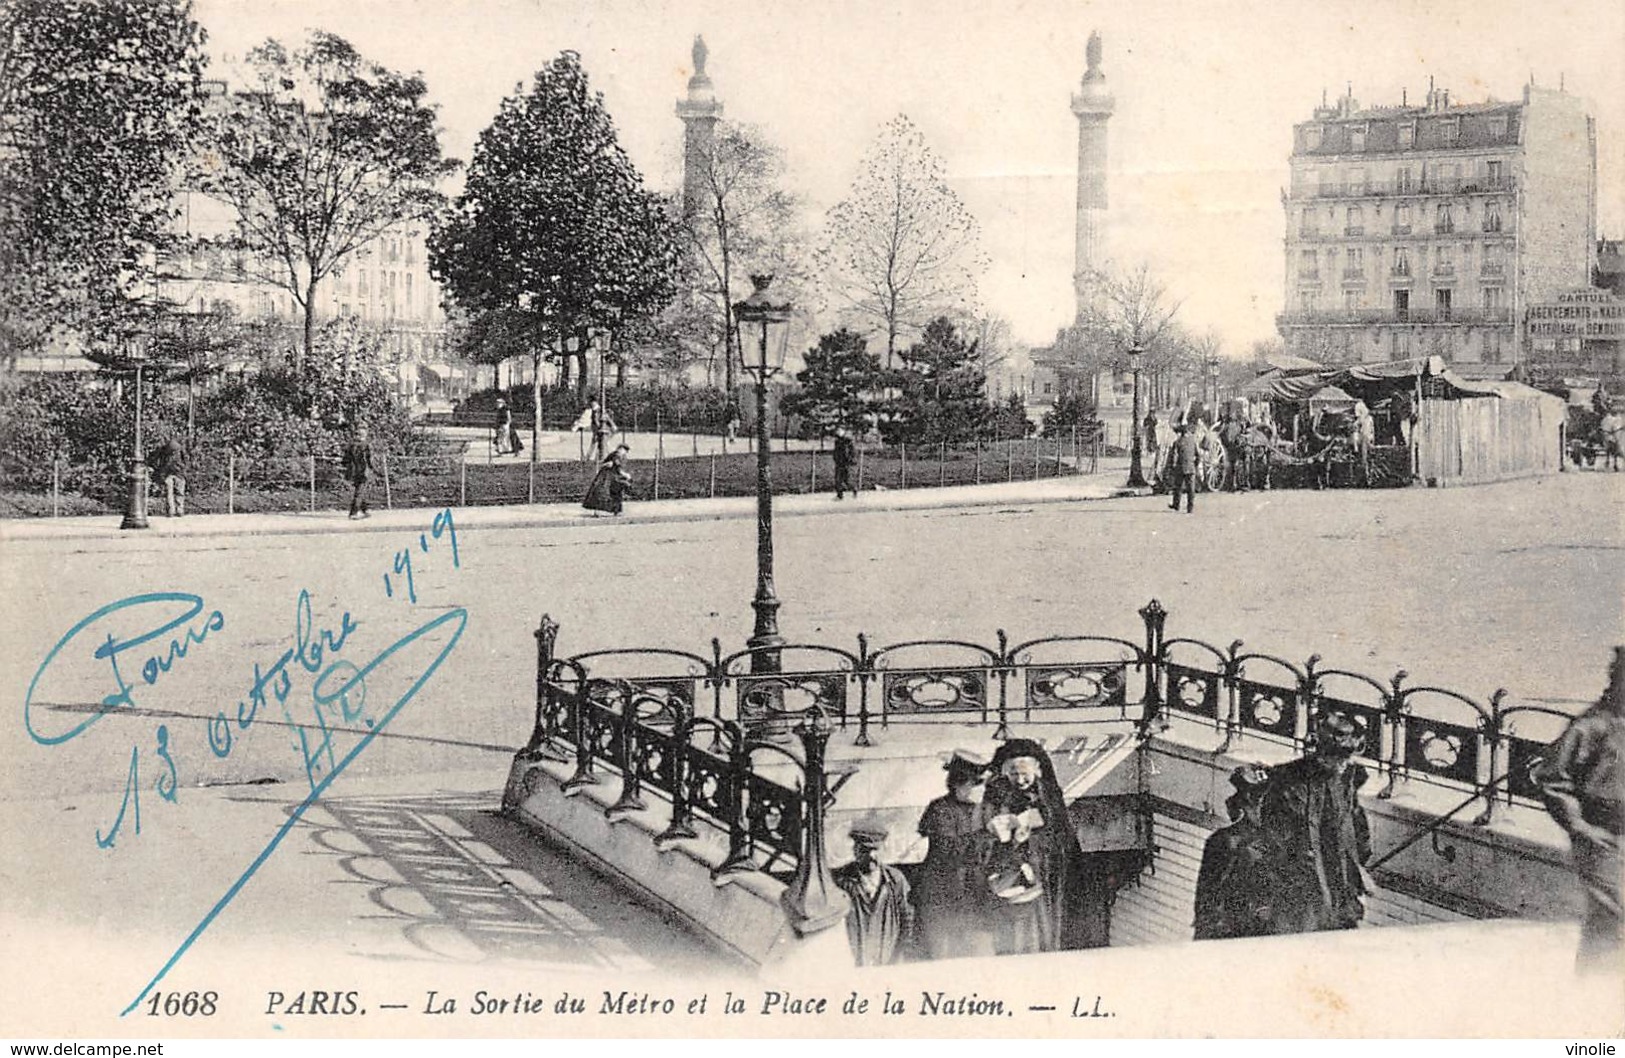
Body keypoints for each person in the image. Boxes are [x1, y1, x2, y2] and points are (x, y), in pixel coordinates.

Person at [1533, 647, 1624, 971]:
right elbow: (1551, 778)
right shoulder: (1592, 726)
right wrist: (1579, 826)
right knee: (1612, 920)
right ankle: (1594, 998)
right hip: (1602, 837)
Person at [1258, 709, 1374, 934]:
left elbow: (1356, 828)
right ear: (1323, 754)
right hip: (1302, 897)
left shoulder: (1344, 780)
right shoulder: (1289, 783)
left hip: (1339, 892)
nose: (1344, 764)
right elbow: (1273, 843)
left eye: (1347, 758)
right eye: (1340, 757)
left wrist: (1358, 868)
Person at [982, 738, 1102, 954]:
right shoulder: (996, 796)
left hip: (1047, 873)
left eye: (1024, 773)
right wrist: (1010, 840)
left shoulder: (1049, 794)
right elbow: (986, 840)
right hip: (1011, 875)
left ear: (1037, 769)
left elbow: (1061, 835)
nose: (1019, 780)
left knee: (1047, 925)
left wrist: (1035, 841)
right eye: (1013, 773)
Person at [915, 750, 995, 959]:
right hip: (943, 894)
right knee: (943, 953)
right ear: (959, 783)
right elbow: (948, 850)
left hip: (975, 895)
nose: (981, 788)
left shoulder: (985, 809)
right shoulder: (940, 809)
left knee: (978, 953)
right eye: (976, 783)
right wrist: (988, 835)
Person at [1193, 765, 1279, 940]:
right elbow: (1207, 901)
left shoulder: (1276, 842)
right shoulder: (1224, 842)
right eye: (1255, 799)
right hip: (1232, 933)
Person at [833, 820, 914, 966]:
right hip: (853, 961)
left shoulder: (895, 880)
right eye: (865, 850)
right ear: (855, 851)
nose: (871, 856)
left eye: (875, 850)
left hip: (887, 959)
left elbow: (907, 919)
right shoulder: (841, 881)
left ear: (882, 850)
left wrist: (898, 957)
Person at [581, 443, 632, 515]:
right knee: (609, 492)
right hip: (608, 476)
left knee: (606, 492)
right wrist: (625, 475)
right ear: (621, 449)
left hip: (607, 476)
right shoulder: (617, 455)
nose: (625, 453)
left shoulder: (615, 454)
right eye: (625, 451)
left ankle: (609, 511)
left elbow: (611, 464)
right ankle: (614, 511)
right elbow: (617, 467)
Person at [148, 435, 187, 517]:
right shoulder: (177, 451)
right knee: (177, 493)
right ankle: (178, 510)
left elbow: (156, 459)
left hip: (171, 473)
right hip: (176, 473)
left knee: (171, 493)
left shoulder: (164, 451)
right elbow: (186, 460)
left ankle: (172, 510)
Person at [342, 423, 374, 520]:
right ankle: (353, 512)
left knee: (359, 490)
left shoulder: (351, 446)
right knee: (359, 492)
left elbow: (345, 460)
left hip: (354, 471)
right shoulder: (366, 446)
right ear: (364, 435)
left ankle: (365, 509)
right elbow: (369, 460)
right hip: (364, 471)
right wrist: (373, 468)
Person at [1167, 422, 1198, 513]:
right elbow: (1198, 455)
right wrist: (1194, 464)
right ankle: (1190, 508)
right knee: (1191, 489)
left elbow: (1174, 456)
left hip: (1180, 467)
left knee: (1178, 487)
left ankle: (1176, 505)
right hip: (1191, 467)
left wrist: (1172, 466)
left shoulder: (1177, 442)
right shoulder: (1193, 441)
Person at [832, 428, 857, 500]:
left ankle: (854, 490)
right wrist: (836, 459)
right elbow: (836, 452)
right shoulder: (837, 442)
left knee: (847, 480)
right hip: (839, 463)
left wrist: (850, 460)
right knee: (838, 480)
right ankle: (840, 495)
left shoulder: (848, 442)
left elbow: (851, 452)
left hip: (846, 463)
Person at [1600, 407, 1623, 472]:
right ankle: (1611, 463)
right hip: (1609, 435)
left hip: (1610, 435)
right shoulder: (1609, 419)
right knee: (1612, 448)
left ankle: (1612, 463)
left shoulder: (1614, 419)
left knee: (1612, 449)